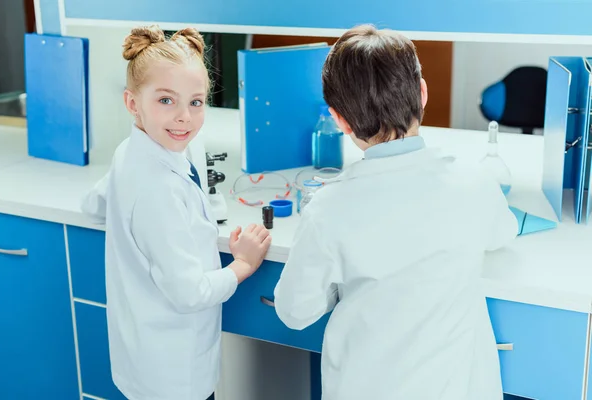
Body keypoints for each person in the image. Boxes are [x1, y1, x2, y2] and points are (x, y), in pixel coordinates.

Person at [274, 25, 517, 400]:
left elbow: (294, 312)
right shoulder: (474, 180)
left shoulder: (328, 208)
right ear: (422, 93)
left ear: (338, 119)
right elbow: (502, 234)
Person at [81, 25, 271, 400]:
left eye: (196, 102)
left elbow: (92, 206)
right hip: (173, 377)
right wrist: (243, 265)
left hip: (144, 358)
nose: (184, 117)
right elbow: (190, 293)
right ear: (132, 103)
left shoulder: (130, 152)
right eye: (166, 100)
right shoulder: (158, 188)